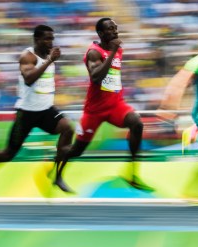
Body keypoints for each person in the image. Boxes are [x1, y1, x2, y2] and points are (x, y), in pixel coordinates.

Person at [54, 17, 147, 193]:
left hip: (115, 105)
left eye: (116, 27)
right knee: (76, 150)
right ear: (101, 33)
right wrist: (111, 53)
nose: (115, 31)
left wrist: (113, 52)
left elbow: (113, 75)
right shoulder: (93, 52)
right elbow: (96, 78)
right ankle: (57, 172)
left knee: (137, 123)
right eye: (111, 29)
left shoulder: (118, 49)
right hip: (94, 111)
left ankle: (132, 174)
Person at [0, 25, 73, 166]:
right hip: (26, 113)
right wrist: (49, 61)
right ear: (36, 39)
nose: (50, 42)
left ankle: (57, 173)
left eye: (52, 39)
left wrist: (49, 59)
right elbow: (29, 80)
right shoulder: (28, 56)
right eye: (47, 39)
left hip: (46, 110)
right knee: (8, 154)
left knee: (68, 129)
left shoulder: (49, 55)